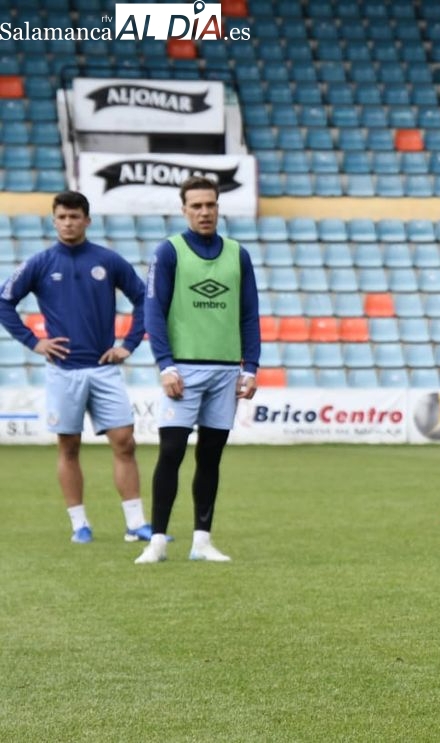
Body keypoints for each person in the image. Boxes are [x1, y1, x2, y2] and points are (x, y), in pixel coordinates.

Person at [0, 191, 153, 544]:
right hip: (63, 370)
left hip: (103, 367)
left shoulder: (108, 260)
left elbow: (143, 298)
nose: (68, 223)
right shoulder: (40, 263)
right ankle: (79, 525)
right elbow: (5, 302)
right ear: (54, 220)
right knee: (68, 445)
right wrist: (33, 341)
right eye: (62, 217)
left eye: (74, 216)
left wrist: (128, 344)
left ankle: (136, 523)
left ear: (87, 220)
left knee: (124, 441)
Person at [134, 176, 261, 564]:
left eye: (211, 205)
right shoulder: (168, 252)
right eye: (197, 206)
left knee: (210, 458)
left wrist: (251, 367)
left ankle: (201, 541)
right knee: (171, 453)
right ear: (184, 209)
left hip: (225, 371)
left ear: (218, 207)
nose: (205, 212)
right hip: (183, 371)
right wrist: (165, 365)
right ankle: (157, 540)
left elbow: (249, 314)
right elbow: (152, 310)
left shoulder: (238, 254)